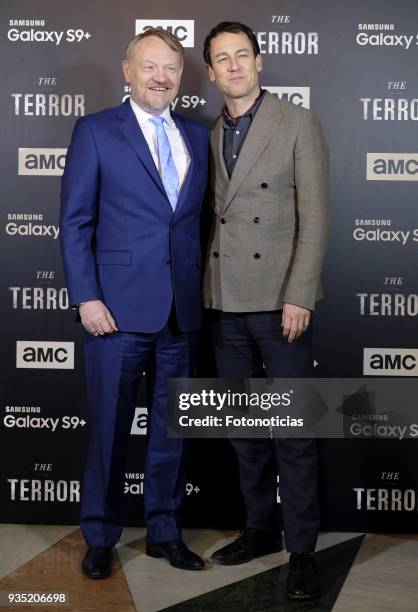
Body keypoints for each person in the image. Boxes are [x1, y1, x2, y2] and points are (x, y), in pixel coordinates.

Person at [60, 28, 209, 578]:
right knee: (108, 430)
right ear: (128, 71)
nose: (161, 77)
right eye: (150, 66)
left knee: (173, 431)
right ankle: (100, 536)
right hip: (115, 314)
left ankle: (164, 532)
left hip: (181, 314)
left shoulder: (197, 135)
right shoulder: (97, 131)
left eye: (171, 68)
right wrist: (87, 298)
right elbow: (75, 225)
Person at [202, 21, 330, 600]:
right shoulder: (210, 132)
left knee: (294, 432)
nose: (233, 66)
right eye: (221, 59)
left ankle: (301, 550)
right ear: (210, 72)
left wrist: (300, 293)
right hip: (226, 302)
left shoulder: (297, 122)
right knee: (244, 429)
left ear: (259, 61)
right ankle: (259, 529)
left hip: (282, 304)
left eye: (241, 56)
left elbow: (317, 216)